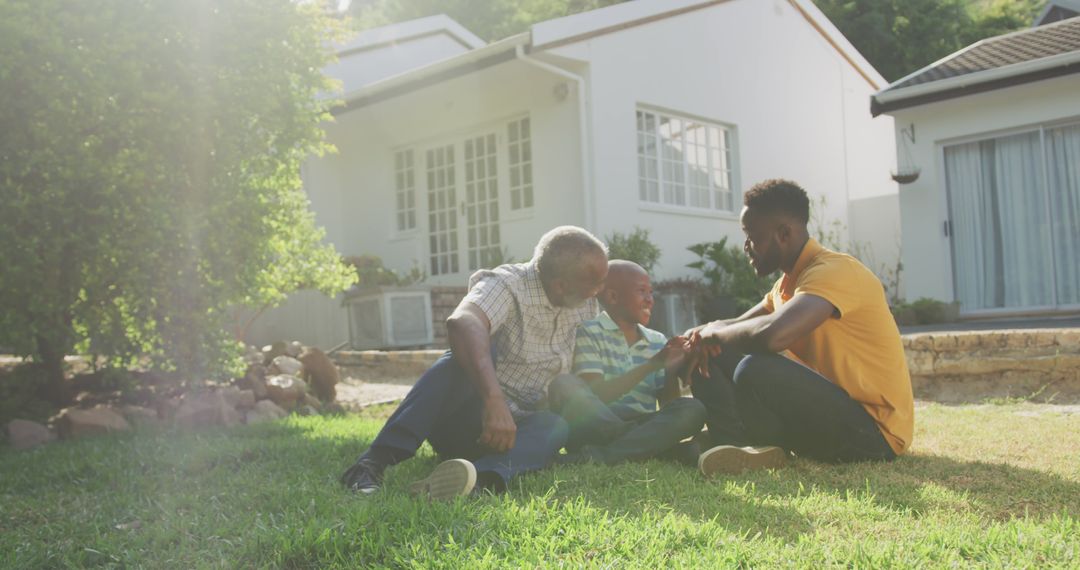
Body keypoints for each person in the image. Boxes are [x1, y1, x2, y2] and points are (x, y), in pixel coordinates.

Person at [340, 226, 608, 499]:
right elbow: (463, 322)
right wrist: (494, 401)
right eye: (595, 282)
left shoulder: (585, 304)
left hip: (518, 433)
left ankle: (474, 481)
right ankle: (371, 463)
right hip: (471, 416)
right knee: (464, 356)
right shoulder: (506, 284)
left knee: (554, 426)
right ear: (560, 285)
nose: (600, 290)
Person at [689, 179, 914, 475]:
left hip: (875, 433)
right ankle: (732, 444)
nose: (746, 246)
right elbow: (739, 325)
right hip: (833, 413)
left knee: (755, 368)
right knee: (713, 351)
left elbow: (772, 335)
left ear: (783, 234)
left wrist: (714, 331)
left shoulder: (834, 271)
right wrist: (699, 336)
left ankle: (752, 443)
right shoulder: (787, 284)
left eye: (752, 236)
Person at [548, 260, 705, 466]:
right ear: (613, 296)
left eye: (651, 292)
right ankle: (651, 450)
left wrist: (669, 369)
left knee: (692, 409)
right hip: (594, 423)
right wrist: (652, 364)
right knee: (564, 385)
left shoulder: (657, 340)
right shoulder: (589, 331)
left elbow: (667, 404)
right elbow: (598, 393)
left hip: (641, 423)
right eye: (642, 292)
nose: (650, 300)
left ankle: (603, 456)